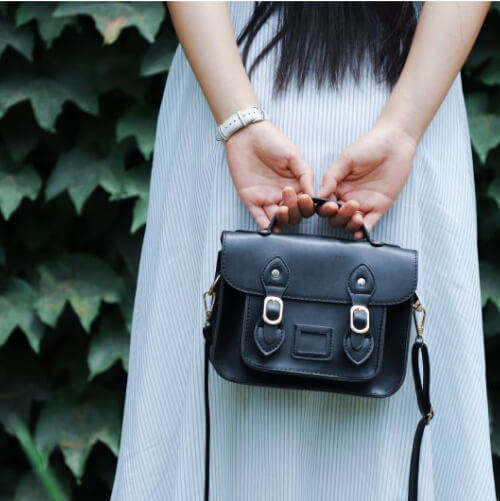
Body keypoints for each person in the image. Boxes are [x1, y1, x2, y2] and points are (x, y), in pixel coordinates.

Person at [110, 2, 496, 500]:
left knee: (200, 433)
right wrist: (403, 128)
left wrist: (239, 121)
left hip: (233, 76)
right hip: (405, 85)